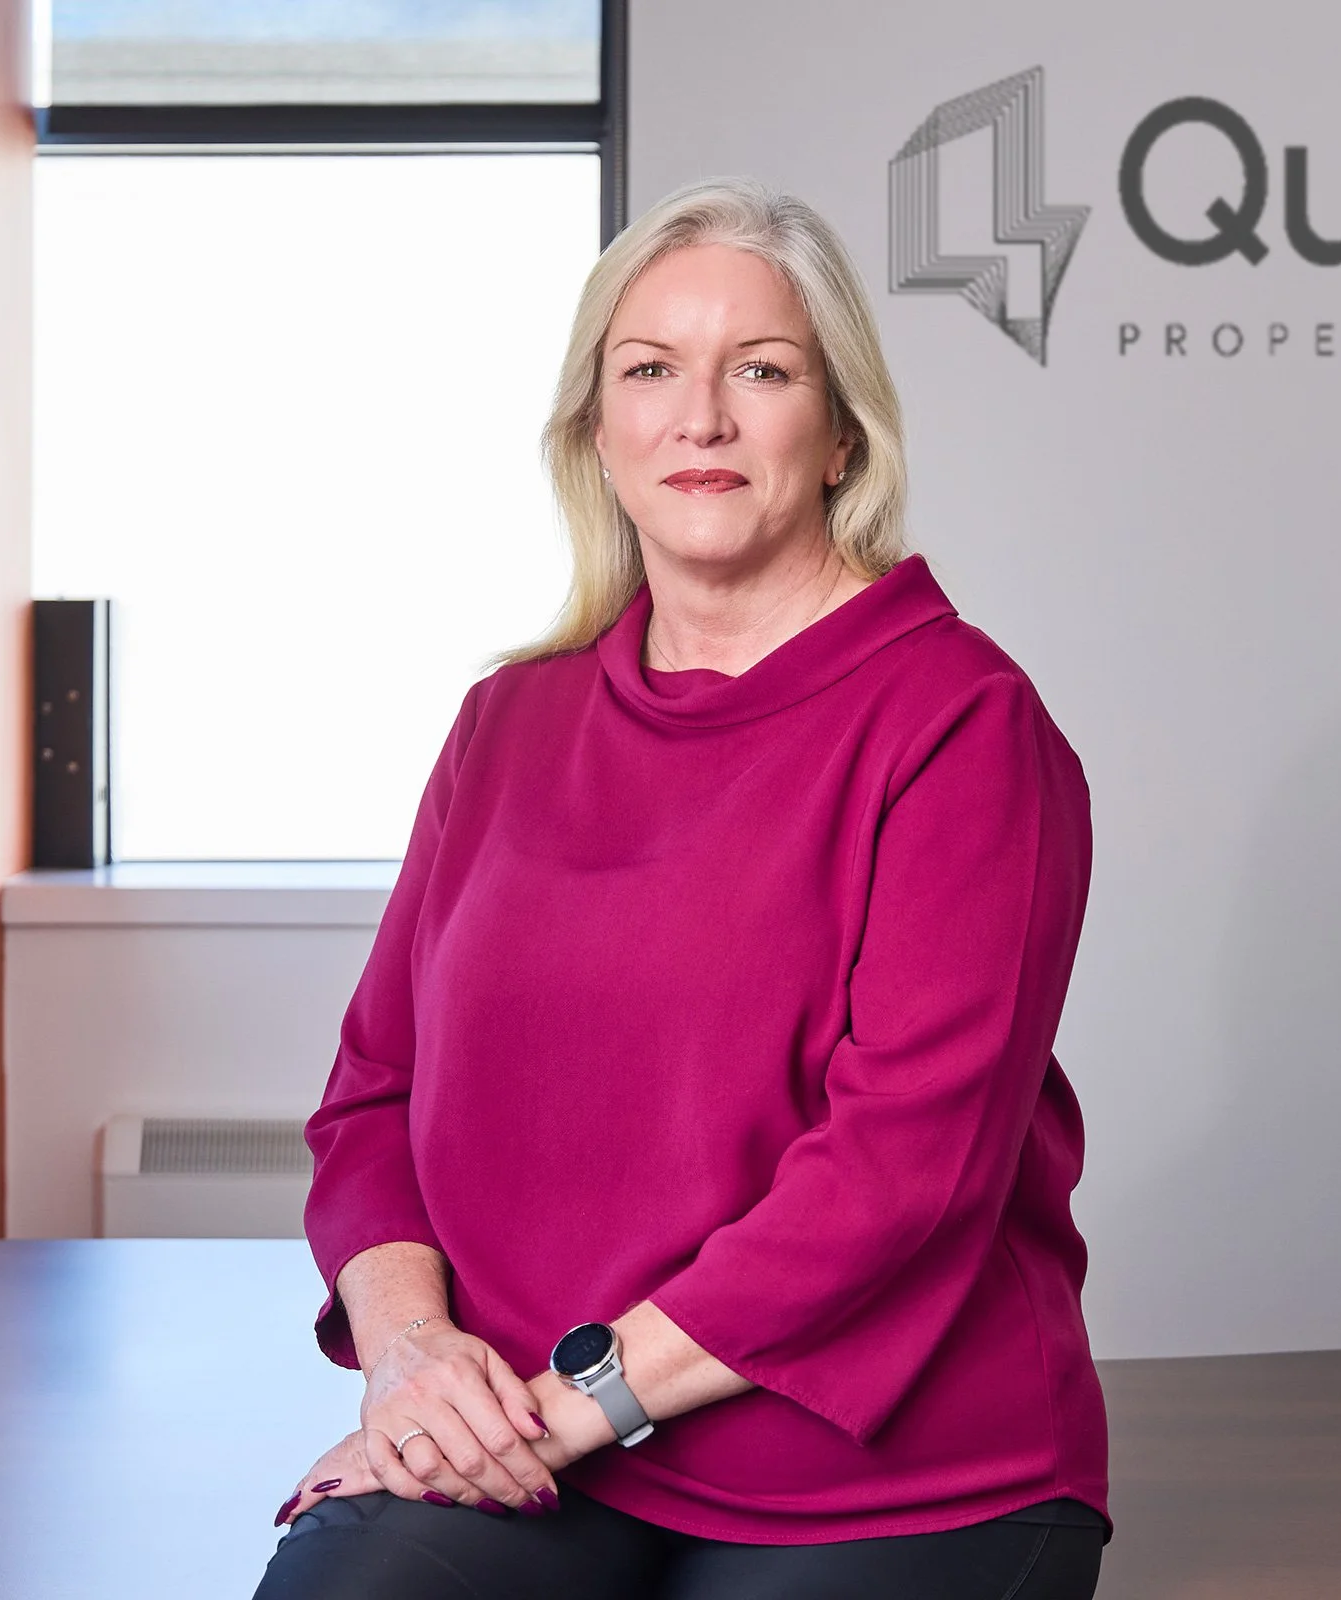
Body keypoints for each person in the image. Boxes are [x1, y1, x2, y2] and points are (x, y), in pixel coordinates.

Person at [251, 177, 1108, 1600]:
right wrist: (410, 1362)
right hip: (535, 1441)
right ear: (601, 428)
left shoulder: (961, 724)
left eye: (759, 372)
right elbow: (369, 1101)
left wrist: (562, 1409)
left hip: (881, 1473)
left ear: (839, 433)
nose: (698, 417)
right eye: (650, 370)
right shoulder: (507, 728)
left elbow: (903, 1173)